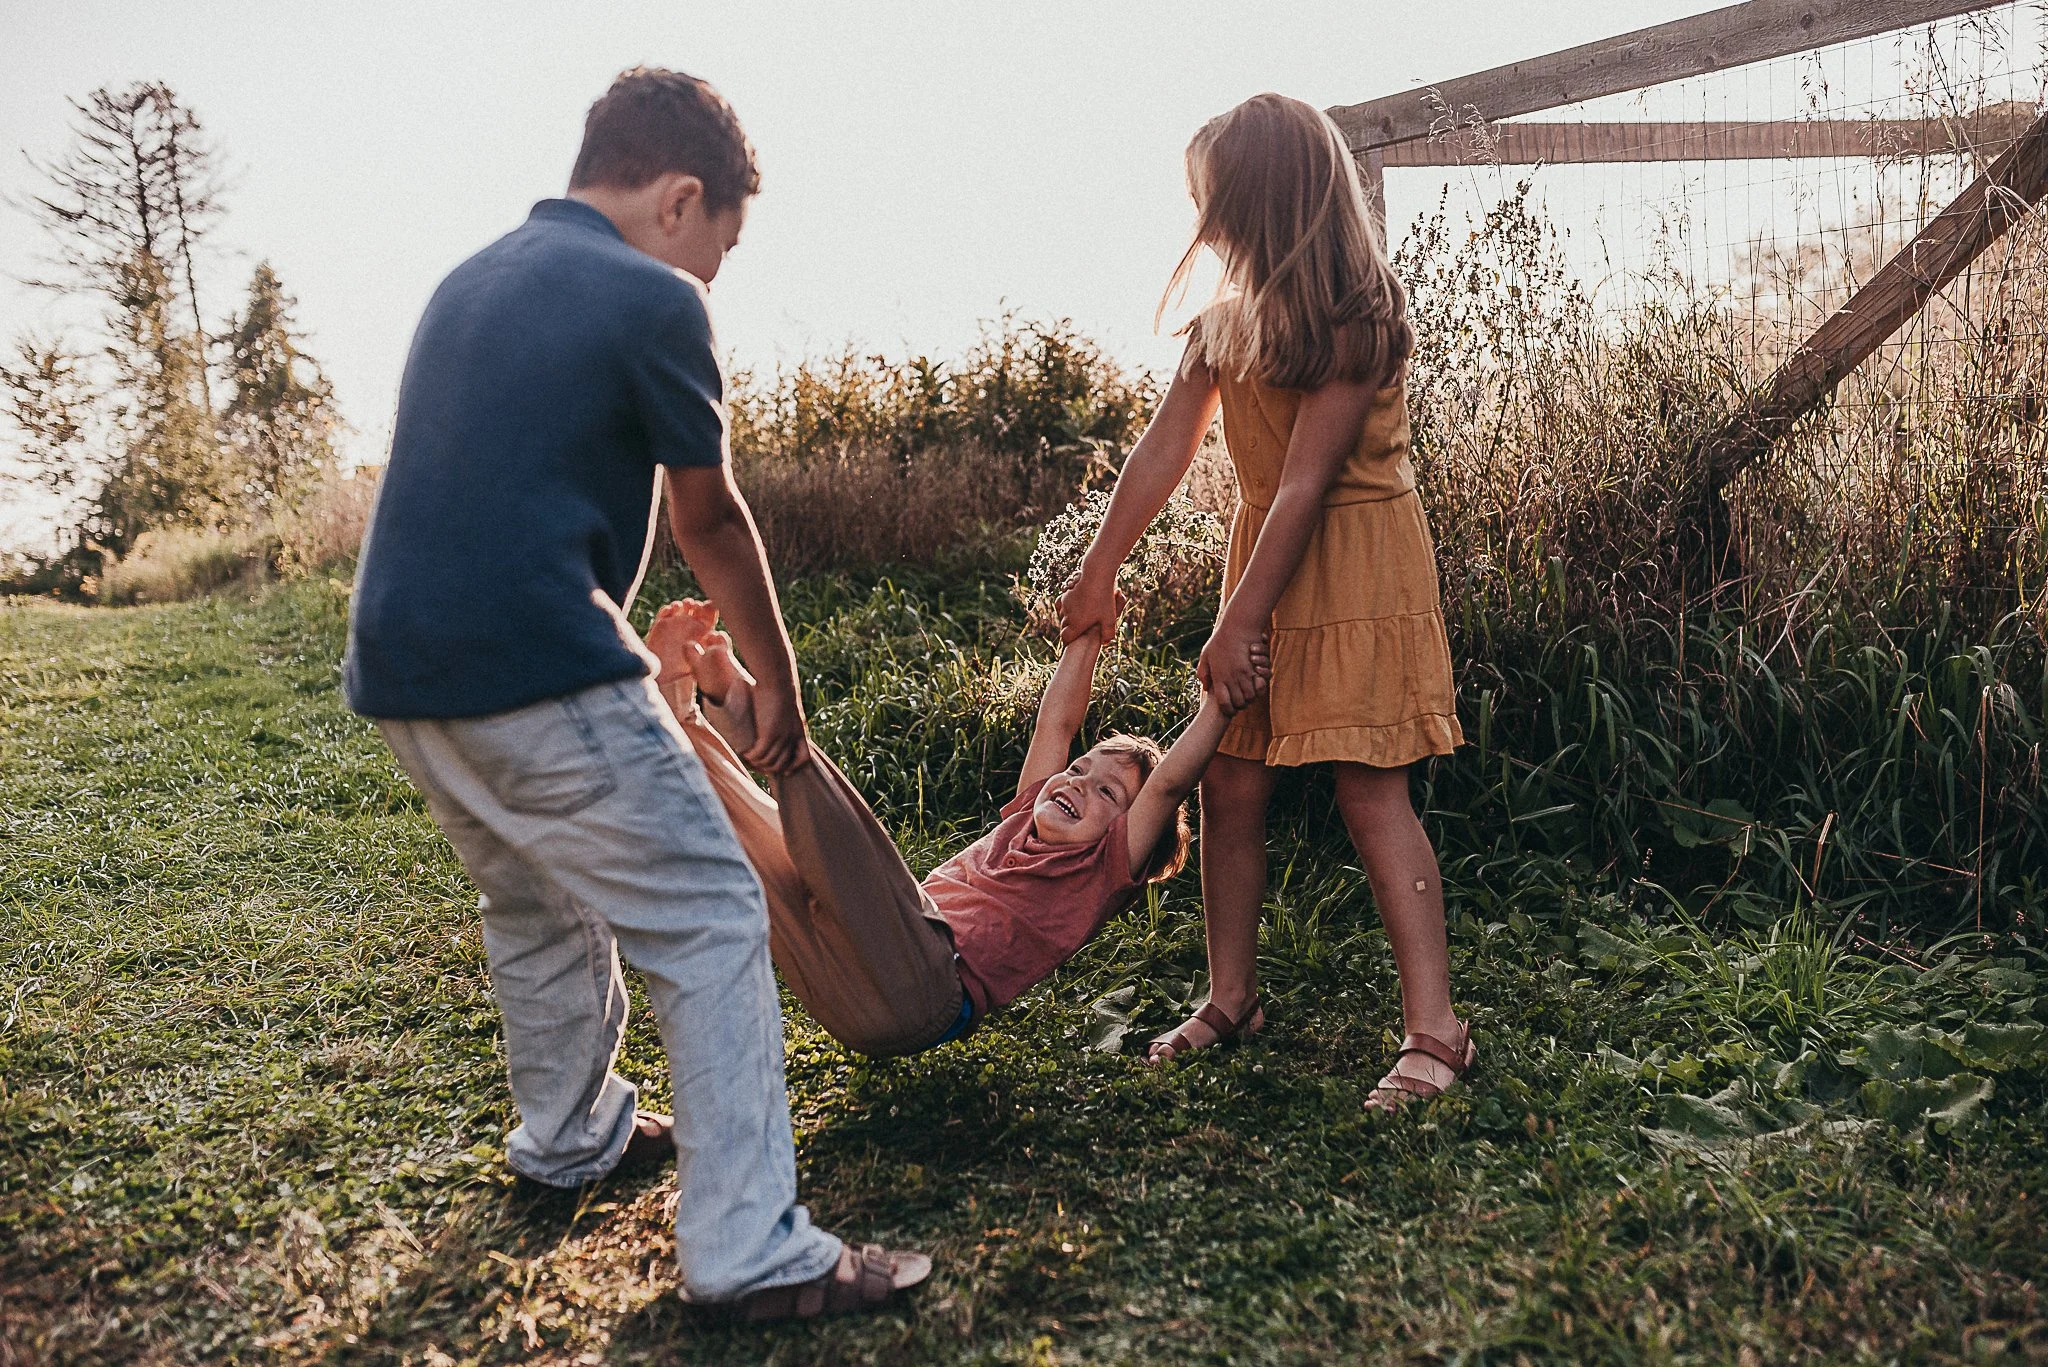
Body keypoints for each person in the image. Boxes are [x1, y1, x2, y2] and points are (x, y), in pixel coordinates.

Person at [344, 67, 926, 1321]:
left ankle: (570, 1136)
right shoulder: (653, 296)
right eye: (722, 242)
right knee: (711, 913)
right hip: (532, 656)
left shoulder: (473, 278)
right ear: (679, 200)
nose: (715, 272)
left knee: (535, 893)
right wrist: (780, 678)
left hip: (401, 670)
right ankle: (749, 1247)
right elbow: (709, 514)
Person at [1057, 93, 1475, 1109]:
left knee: (1368, 788)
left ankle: (1437, 1029)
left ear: (1259, 205)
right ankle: (1230, 995)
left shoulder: (1356, 320)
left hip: (1356, 565)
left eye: (1209, 200)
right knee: (1228, 782)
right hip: (1265, 561)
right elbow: (1164, 449)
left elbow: (1303, 483)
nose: (1202, 220)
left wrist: (1236, 621)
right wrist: (1100, 562)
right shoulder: (1220, 323)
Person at [641, 598, 1263, 1055]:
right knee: (761, 848)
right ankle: (682, 720)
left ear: (1129, 836)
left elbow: (1171, 782)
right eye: (1079, 770)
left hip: (925, 986)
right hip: (845, 992)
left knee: (843, 847)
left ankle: (753, 713)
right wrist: (1088, 635)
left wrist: (1221, 704)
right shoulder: (1028, 811)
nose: (1075, 783)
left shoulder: (1101, 867)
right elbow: (1056, 725)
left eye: (1107, 792)